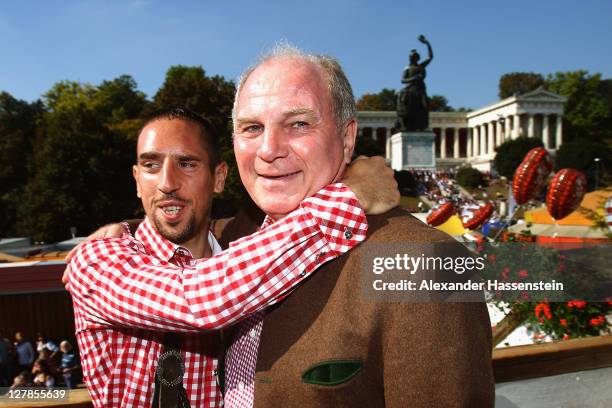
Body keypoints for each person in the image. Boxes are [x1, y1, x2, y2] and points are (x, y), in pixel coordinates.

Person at [64, 107, 398, 407]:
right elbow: (201, 298)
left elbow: (228, 267)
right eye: (151, 166)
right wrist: (349, 197)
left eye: (186, 164)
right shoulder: (96, 260)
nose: (167, 182)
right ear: (137, 181)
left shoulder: (243, 249)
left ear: (219, 177)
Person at [219, 44, 494, 407]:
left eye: (299, 123)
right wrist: (121, 230)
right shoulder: (225, 238)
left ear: (347, 139)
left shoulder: (425, 264)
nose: (269, 149)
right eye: (251, 127)